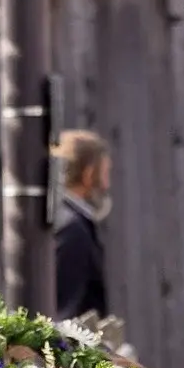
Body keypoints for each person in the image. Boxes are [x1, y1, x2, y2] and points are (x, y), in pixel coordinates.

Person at [52, 129, 112, 320]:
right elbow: (66, 311)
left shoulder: (68, 221)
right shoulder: (72, 229)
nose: (106, 185)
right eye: (104, 174)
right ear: (88, 174)